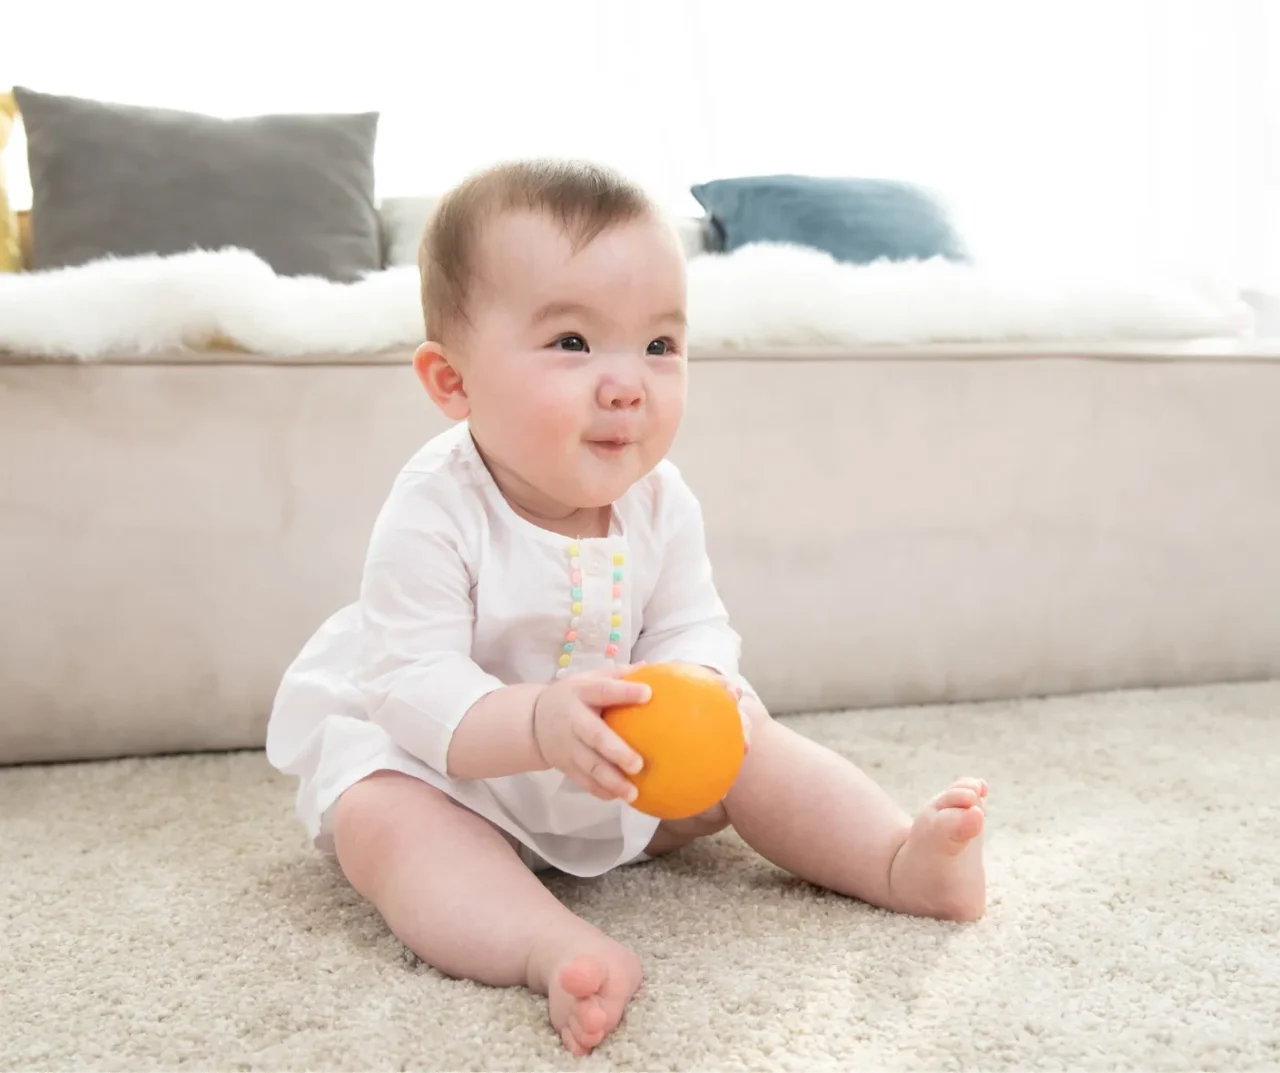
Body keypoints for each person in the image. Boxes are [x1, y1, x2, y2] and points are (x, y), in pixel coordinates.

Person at [266, 159, 988, 1058]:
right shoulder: (433, 507)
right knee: (381, 818)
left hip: (614, 767)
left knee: (748, 729)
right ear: (452, 383)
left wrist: (697, 685)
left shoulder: (661, 499)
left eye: (658, 345)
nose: (626, 383)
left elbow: (692, 623)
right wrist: (537, 721)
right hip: (455, 768)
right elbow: (410, 681)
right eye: (573, 342)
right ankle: (542, 941)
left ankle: (894, 859)